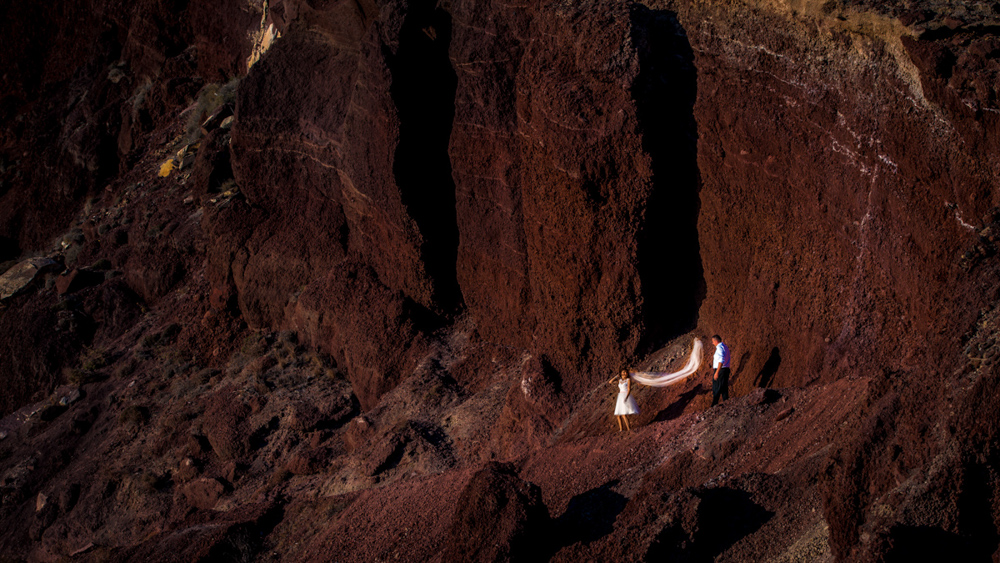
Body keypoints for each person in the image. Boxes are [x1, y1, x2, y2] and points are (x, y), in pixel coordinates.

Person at [710, 334, 731, 406]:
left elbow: (721, 360)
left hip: (721, 370)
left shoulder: (719, 348)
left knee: (717, 388)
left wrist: (717, 372)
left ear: (716, 341)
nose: (712, 343)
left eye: (713, 341)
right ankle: (727, 403)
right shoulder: (725, 347)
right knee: (724, 388)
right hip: (726, 370)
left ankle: (714, 405)